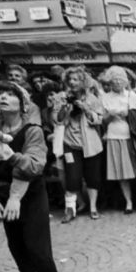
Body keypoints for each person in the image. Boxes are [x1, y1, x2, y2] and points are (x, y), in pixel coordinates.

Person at [0, 81, 64, 272]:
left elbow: (33, 166)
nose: (3, 97)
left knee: (37, 243)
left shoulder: (32, 130)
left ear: (22, 103)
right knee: (16, 242)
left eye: (10, 94)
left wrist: (7, 154)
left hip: (32, 192)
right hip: (4, 191)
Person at [55, 65, 104, 222]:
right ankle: (70, 210)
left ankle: (93, 207)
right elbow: (58, 119)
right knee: (72, 177)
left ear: (83, 81)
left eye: (76, 79)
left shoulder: (92, 98)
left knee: (92, 177)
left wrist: (86, 109)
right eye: (70, 79)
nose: (73, 82)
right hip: (70, 143)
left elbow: (99, 120)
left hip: (91, 144)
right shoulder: (62, 97)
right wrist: (64, 108)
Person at [101, 66, 136, 214]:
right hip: (114, 136)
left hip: (131, 137)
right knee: (121, 173)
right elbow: (102, 121)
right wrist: (111, 115)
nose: (117, 82)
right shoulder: (105, 97)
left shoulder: (131, 96)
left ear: (124, 81)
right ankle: (128, 202)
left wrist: (126, 114)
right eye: (114, 80)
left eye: (119, 79)